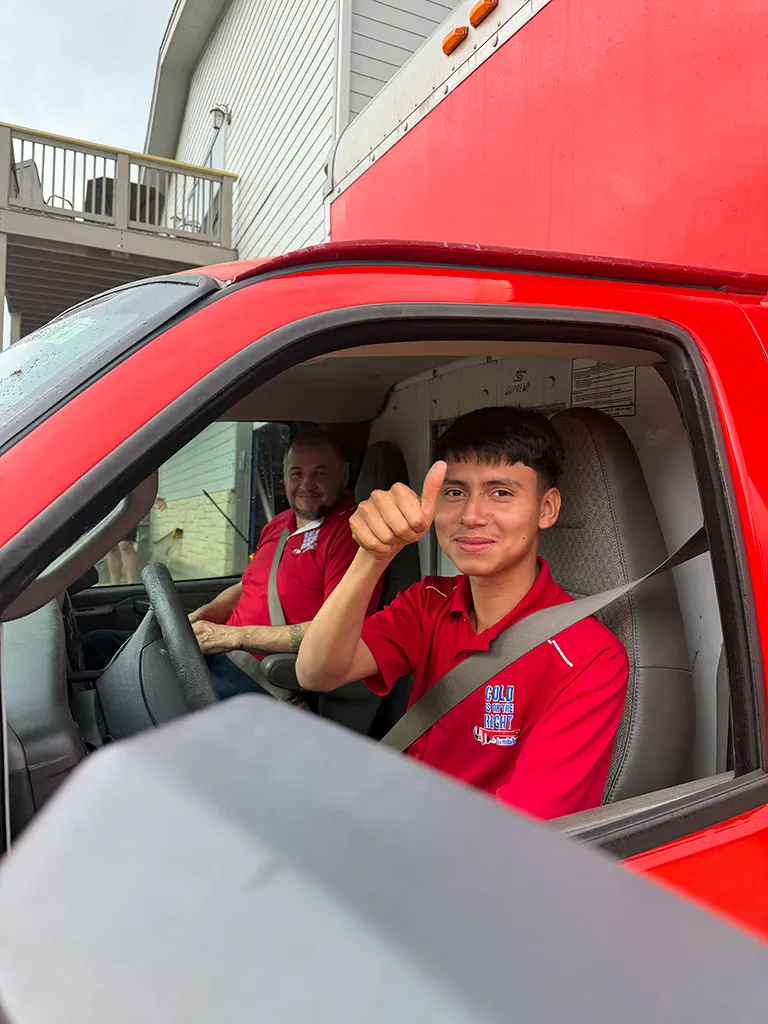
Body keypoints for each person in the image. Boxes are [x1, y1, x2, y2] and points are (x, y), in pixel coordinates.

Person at [296, 407, 629, 821]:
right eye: (454, 493)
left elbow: (520, 831)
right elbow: (317, 673)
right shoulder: (429, 601)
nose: (471, 516)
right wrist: (372, 556)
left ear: (547, 508)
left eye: (501, 492)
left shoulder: (588, 656)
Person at [84, 431, 381, 709]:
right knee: (97, 646)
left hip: (266, 677)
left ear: (343, 475)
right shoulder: (280, 524)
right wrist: (206, 614)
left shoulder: (352, 533)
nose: (306, 485)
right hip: (223, 654)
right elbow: (248, 584)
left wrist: (233, 636)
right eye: (297, 473)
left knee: (148, 701)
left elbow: (338, 633)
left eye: (321, 473)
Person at [106, 496, 167, 585]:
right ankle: (114, 584)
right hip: (106, 502)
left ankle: (132, 584)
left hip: (126, 501)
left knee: (125, 545)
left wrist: (152, 496)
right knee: (111, 547)